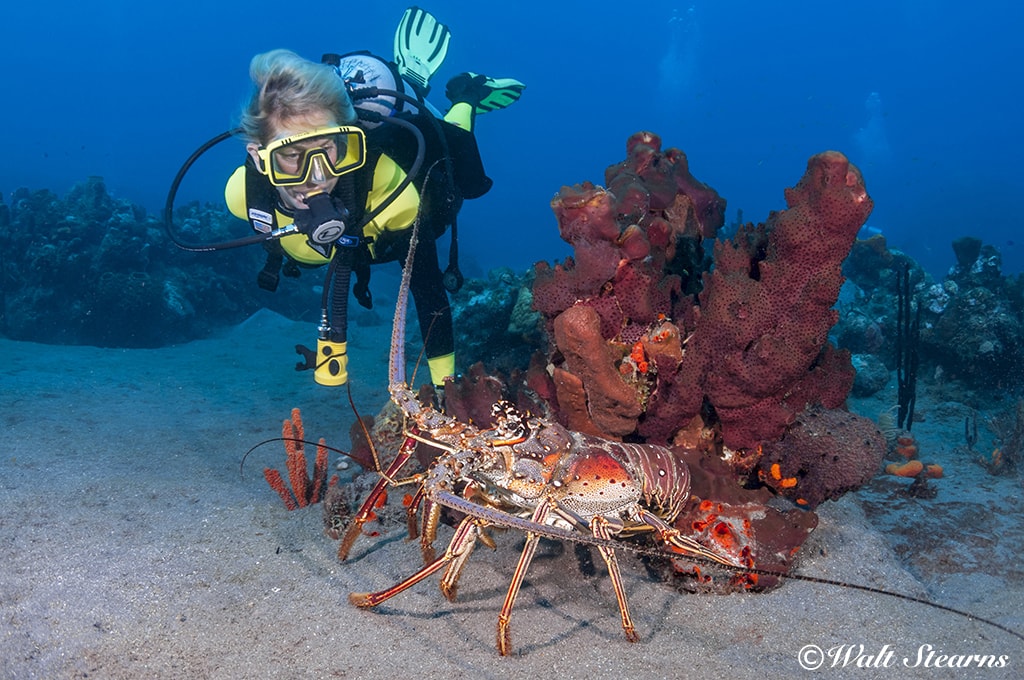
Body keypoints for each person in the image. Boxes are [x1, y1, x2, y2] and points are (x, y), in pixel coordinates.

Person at [223, 7, 523, 388]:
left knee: (453, 156)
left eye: (328, 150)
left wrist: (449, 392)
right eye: (291, 157)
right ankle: (411, 81)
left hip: (386, 217)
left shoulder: (392, 194)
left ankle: (466, 95)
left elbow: (429, 294)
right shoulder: (242, 196)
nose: (317, 178)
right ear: (258, 157)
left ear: (347, 141)